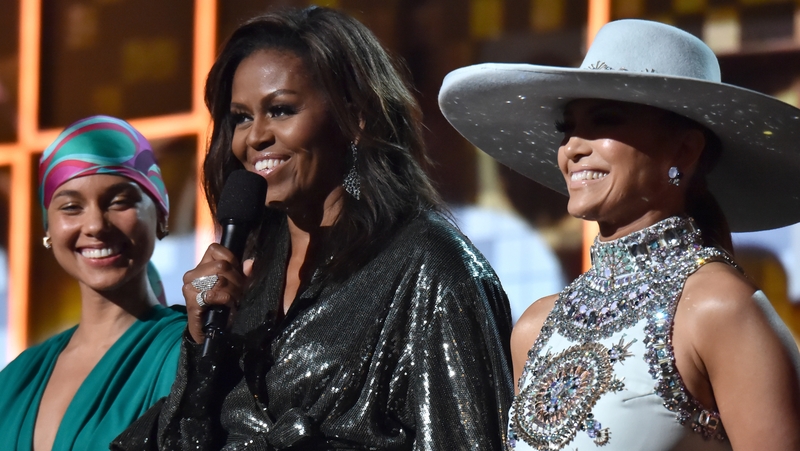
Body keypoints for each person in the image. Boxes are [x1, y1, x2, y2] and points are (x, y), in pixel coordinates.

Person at [113, 6, 512, 451]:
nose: (255, 137)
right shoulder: (250, 278)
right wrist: (201, 344)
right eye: (241, 117)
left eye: (281, 110)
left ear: (355, 116)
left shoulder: (432, 268)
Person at [439, 19, 800, 451]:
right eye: (567, 128)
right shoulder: (534, 328)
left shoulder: (719, 309)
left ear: (684, 150)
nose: (573, 148)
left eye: (605, 121)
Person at [0, 115, 186, 450]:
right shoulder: (15, 379)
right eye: (71, 207)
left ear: (160, 214)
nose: (96, 225)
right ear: (48, 228)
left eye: (119, 202)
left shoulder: (188, 352)